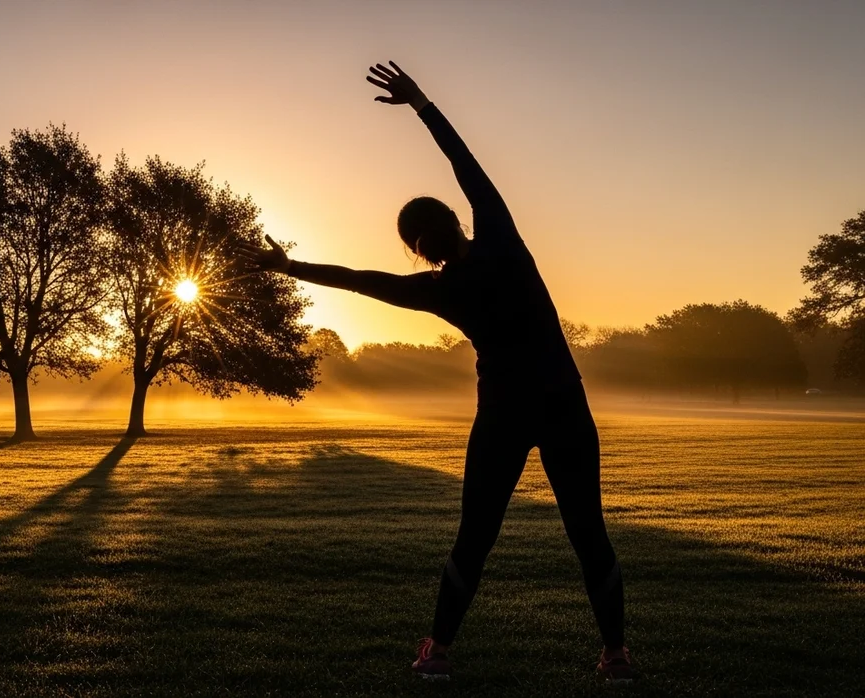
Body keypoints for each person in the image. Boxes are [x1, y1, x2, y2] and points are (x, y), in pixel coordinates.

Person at [239, 61, 633, 685]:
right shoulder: (501, 239)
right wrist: (421, 103)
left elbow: (360, 281)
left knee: (475, 538)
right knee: (588, 534)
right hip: (562, 403)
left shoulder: (437, 290)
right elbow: (465, 163)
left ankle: (439, 653)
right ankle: (615, 657)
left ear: (418, 249)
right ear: (455, 220)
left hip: (503, 415)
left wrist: (289, 267)